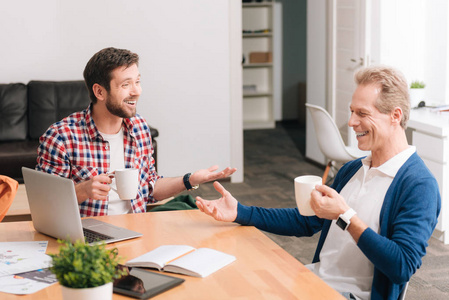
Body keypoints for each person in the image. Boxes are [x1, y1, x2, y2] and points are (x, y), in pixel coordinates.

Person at [196, 65, 441, 300]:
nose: (351, 122)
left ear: (395, 116)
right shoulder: (353, 169)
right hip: (313, 281)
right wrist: (240, 211)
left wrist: (345, 217)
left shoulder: (419, 185)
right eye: (352, 111)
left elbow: (401, 266)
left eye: (362, 113)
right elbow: (306, 220)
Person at [36, 47, 236, 217]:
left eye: (137, 81)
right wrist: (82, 190)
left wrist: (190, 180)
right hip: (87, 241)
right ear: (99, 92)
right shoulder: (61, 137)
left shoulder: (139, 126)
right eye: (126, 84)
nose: (136, 91)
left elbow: (150, 188)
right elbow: (45, 205)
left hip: (138, 230)